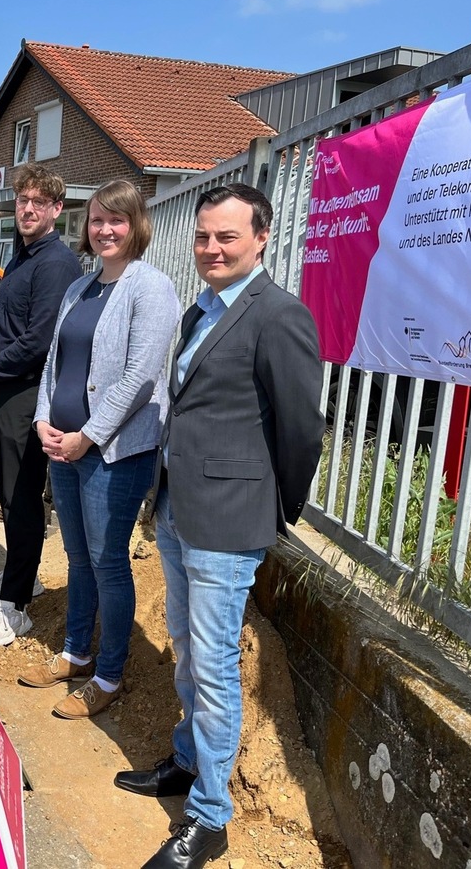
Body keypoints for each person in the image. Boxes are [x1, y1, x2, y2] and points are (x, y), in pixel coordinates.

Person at [114, 183, 323, 869]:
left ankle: (209, 819)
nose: (210, 248)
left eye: (226, 237)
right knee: (184, 645)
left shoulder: (278, 315)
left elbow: (300, 431)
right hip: (177, 506)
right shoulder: (201, 309)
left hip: (228, 522)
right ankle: (186, 761)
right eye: (203, 236)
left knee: (214, 666)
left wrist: (273, 509)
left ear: (261, 238)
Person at [18, 180, 180, 719]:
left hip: (112, 452)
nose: (105, 230)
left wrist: (89, 434)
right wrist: (44, 417)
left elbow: (139, 377)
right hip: (63, 446)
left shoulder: (150, 288)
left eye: (117, 220)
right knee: (79, 556)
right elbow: (54, 364)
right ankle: (76, 652)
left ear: (136, 226)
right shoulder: (80, 289)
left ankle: (109, 675)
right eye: (96, 221)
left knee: (109, 560)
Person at [0, 163, 81, 646]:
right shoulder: (22, 257)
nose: (27, 209)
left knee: (22, 497)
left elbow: (40, 340)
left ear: (55, 209)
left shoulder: (55, 264)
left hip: (27, 394)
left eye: (38, 203)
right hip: (7, 391)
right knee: (11, 496)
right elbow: (17, 329)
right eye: (21, 201)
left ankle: (15, 608)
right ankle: (21, 576)